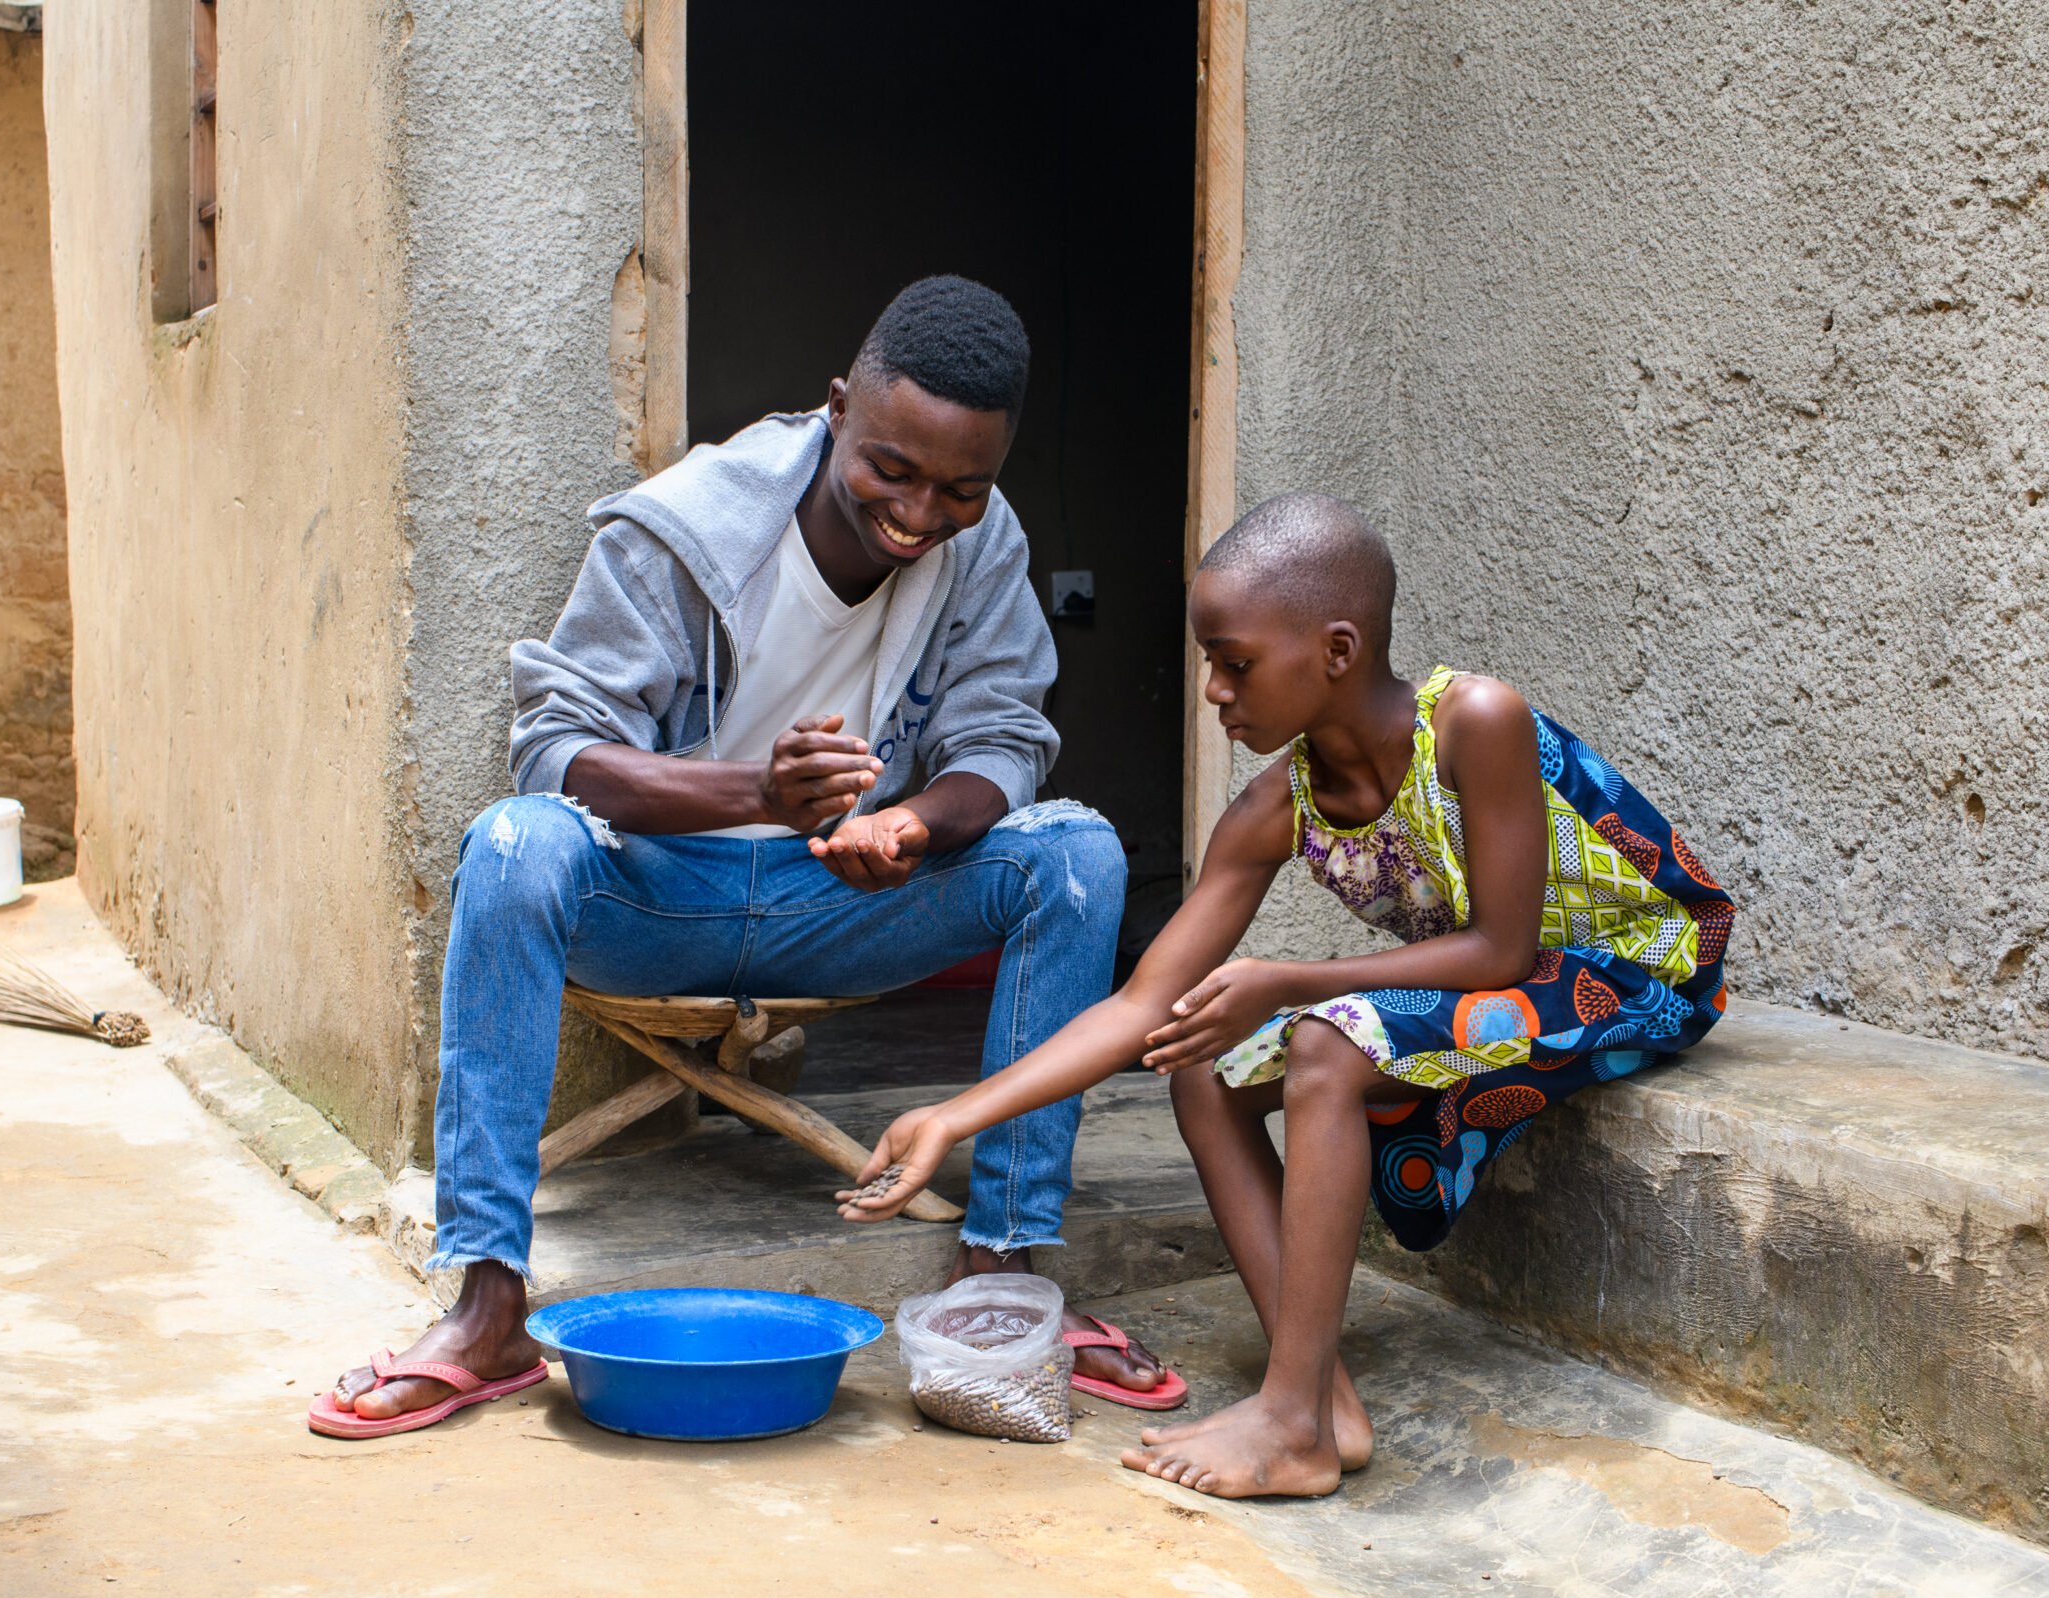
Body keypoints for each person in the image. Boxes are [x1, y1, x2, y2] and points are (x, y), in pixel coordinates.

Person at [312, 276, 1176, 1438]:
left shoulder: (984, 545)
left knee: (1073, 852)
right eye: (891, 470)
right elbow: (556, 749)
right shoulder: (685, 527)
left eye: (960, 488)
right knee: (512, 843)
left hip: (844, 898)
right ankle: (488, 1305)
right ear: (834, 411)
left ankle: (1001, 1277)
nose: (920, 514)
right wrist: (753, 792)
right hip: (660, 895)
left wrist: (915, 827)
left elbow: (1002, 734)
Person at [840, 493, 1735, 1497]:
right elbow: (1143, 1007)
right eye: (1209, 663)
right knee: (1202, 1070)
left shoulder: (1476, 721)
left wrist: (1290, 980)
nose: (1214, 690)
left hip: (1639, 969)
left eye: (1235, 661)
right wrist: (952, 1118)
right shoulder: (1280, 803)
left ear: (1338, 649)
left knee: (1322, 1041)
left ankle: (1288, 1419)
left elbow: (1501, 948)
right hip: (1503, 985)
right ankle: (1319, 1401)